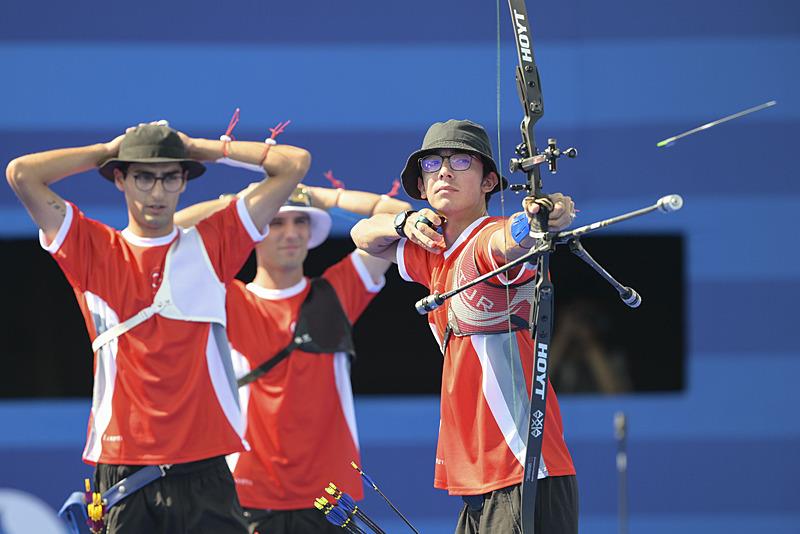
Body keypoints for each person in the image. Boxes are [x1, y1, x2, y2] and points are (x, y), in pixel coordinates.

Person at [5, 122, 311, 533]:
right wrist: (109, 149)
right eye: (143, 177)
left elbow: (294, 163)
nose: (157, 192)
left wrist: (198, 148)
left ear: (185, 181)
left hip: (206, 465)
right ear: (120, 179)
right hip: (125, 470)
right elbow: (21, 173)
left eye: (170, 178)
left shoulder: (213, 242)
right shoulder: (92, 248)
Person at [350, 119, 579, 533]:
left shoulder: (486, 239)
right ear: (421, 187)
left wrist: (540, 218)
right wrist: (404, 223)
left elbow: (511, 240)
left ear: (489, 181)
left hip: (523, 466)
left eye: (460, 161)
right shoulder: (434, 251)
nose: (444, 171)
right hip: (480, 472)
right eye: (432, 164)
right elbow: (363, 234)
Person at [175, 183, 412, 533]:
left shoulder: (338, 292)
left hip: (331, 499)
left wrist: (326, 198)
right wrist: (242, 204)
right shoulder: (227, 298)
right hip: (248, 494)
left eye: (300, 221)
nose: (291, 233)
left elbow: (399, 217)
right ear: (254, 231)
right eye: (275, 222)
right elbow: (169, 239)